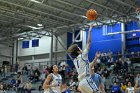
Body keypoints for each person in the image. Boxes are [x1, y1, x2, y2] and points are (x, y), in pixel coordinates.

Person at [67, 24, 99, 93]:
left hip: (81, 83)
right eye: (79, 48)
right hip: (86, 80)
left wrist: (96, 58)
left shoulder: (75, 61)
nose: (81, 49)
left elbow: (89, 65)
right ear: (78, 50)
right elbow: (89, 42)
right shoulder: (83, 56)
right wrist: (90, 31)